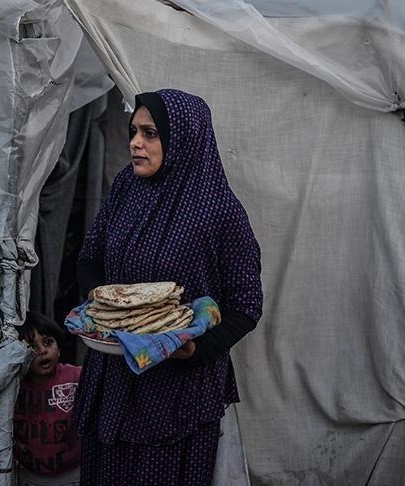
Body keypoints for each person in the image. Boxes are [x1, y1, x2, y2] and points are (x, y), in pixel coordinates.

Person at [74, 88, 263, 485]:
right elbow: (90, 258)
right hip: (112, 375)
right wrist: (102, 312)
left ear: (184, 138)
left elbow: (246, 305)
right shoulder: (127, 187)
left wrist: (194, 349)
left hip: (176, 393)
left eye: (150, 133)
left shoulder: (219, 211)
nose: (135, 143)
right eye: (133, 131)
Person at [13, 311, 82, 486]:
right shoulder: (13, 387)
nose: (42, 351)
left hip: (74, 475)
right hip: (29, 477)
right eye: (31, 346)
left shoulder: (76, 377)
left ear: (59, 349)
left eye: (48, 342)